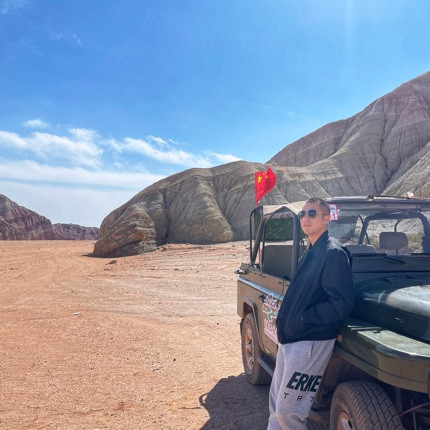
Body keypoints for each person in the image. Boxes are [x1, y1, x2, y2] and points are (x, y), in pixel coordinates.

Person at [267, 198, 354, 430]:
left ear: (327, 219)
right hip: (291, 339)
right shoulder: (311, 251)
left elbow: (340, 304)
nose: (305, 217)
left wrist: (303, 319)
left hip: (309, 341)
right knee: (276, 407)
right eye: (303, 214)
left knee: (288, 413)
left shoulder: (333, 253)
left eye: (312, 213)